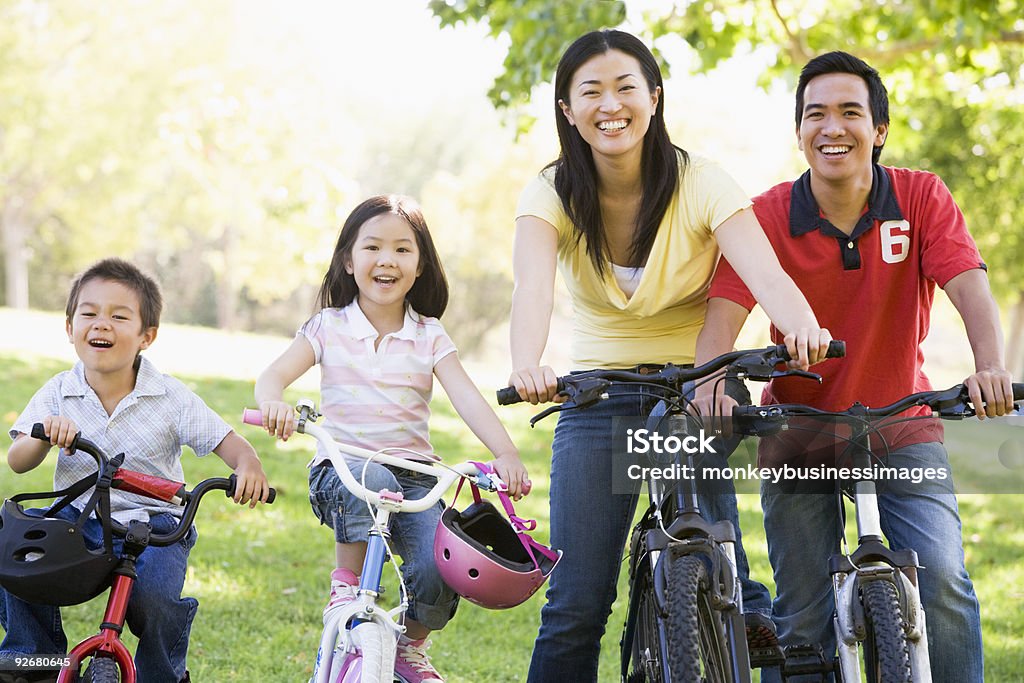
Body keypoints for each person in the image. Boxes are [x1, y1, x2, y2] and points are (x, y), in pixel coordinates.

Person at [507, 29, 832, 682]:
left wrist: (801, 324)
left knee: (691, 486)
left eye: (626, 87)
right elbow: (532, 290)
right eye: (590, 91)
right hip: (595, 393)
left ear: (654, 98)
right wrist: (527, 362)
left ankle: (738, 600)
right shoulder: (550, 193)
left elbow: (766, 276)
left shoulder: (702, 180)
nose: (611, 104)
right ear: (567, 110)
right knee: (576, 603)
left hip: (697, 384)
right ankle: (746, 596)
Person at [707, 51, 1014, 683]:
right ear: (799, 134)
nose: (832, 127)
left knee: (944, 584)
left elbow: (969, 287)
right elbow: (721, 321)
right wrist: (712, 382)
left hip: (901, 424)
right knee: (802, 617)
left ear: (879, 129)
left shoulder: (921, 196)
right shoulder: (765, 216)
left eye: (851, 112)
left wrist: (991, 368)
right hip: (798, 432)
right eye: (815, 114)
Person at [255, 194, 529, 683]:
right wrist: (274, 401)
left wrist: (504, 453)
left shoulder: (429, 335)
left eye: (403, 250)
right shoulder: (328, 326)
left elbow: (466, 397)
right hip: (343, 470)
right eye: (373, 247)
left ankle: (409, 644)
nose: (387, 260)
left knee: (440, 567)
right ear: (348, 259)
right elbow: (272, 377)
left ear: (420, 265)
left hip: (417, 476)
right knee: (373, 475)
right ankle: (346, 585)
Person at [0, 258, 271, 683]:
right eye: (89, 313)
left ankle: (162, 674)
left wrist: (249, 465)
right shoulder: (59, 391)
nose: (101, 324)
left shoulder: (169, 395)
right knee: (16, 547)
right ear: (70, 328)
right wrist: (43, 436)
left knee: (156, 597)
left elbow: (229, 442)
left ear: (147, 336)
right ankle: (33, 656)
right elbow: (18, 461)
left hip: (155, 522)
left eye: (119, 316)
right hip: (81, 518)